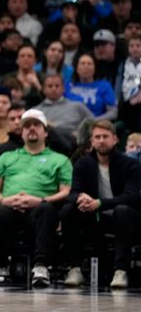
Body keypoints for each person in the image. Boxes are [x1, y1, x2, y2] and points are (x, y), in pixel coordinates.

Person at [0, 109, 72, 287]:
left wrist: (41, 200)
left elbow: (66, 191)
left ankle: (41, 266)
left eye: (36, 125)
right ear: (21, 132)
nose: (31, 129)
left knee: (46, 210)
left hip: (40, 209)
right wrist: (4, 200)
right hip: (10, 208)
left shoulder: (60, 160)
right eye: (27, 126)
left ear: (45, 132)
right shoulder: (6, 157)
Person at [61, 121, 141, 289]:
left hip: (128, 219)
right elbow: (72, 193)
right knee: (69, 210)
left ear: (115, 139)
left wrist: (100, 203)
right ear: (91, 141)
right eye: (97, 137)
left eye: (106, 137)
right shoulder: (82, 163)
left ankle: (121, 271)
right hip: (96, 218)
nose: (102, 140)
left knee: (122, 210)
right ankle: (74, 269)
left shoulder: (130, 164)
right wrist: (81, 198)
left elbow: (131, 197)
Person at [66, 52, 118, 120]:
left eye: (89, 64)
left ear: (95, 68)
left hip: (95, 124)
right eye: (82, 63)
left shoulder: (104, 86)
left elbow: (113, 113)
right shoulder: (67, 85)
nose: (86, 66)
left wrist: (94, 121)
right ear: (77, 68)